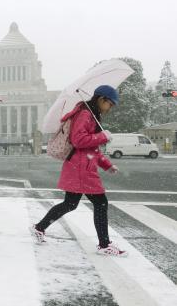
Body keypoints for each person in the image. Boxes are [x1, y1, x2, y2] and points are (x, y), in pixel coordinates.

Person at [31, 85, 127, 257]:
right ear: (101, 99)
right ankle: (104, 244)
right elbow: (78, 140)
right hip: (81, 168)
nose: (110, 108)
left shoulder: (91, 114)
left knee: (70, 204)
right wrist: (103, 136)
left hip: (80, 165)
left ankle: (40, 227)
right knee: (100, 203)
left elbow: (93, 150)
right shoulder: (85, 114)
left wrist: (106, 165)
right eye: (110, 104)